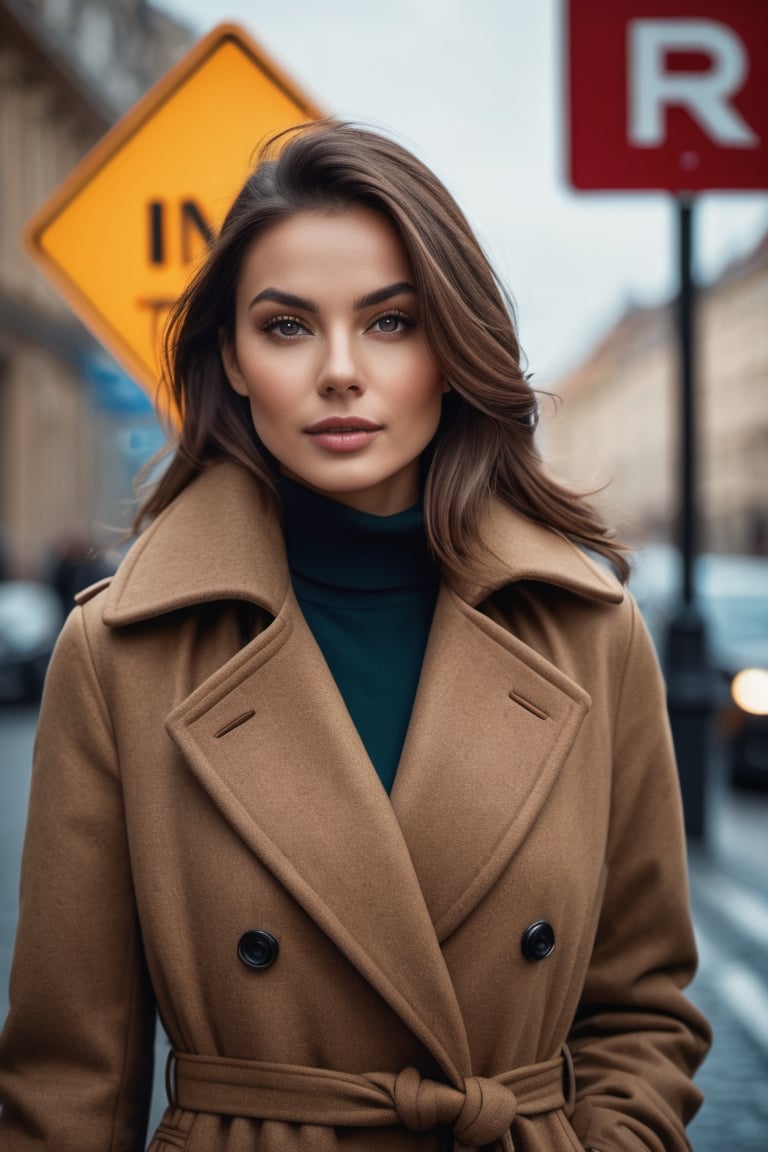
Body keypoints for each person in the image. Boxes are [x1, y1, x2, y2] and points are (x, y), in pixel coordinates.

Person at [0, 121, 710, 1152]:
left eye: (391, 324)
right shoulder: (123, 652)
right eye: (287, 328)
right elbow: (66, 1079)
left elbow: (643, 1007)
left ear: (454, 349)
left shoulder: (589, 632)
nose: (339, 371)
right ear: (233, 362)